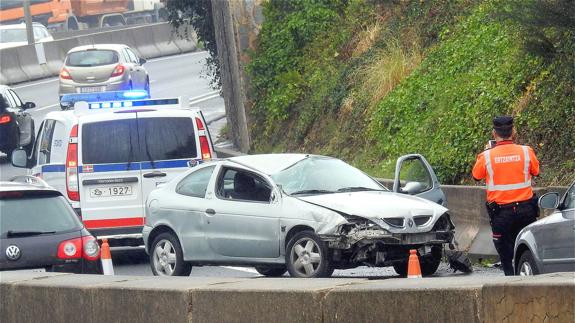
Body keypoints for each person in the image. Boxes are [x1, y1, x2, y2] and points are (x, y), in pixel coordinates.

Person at [472, 116, 540, 276]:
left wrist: (486, 151)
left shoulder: (486, 156)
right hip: (526, 211)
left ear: (494, 134)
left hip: (501, 214)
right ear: (513, 132)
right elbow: (536, 171)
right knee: (527, 250)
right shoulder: (526, 151)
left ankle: (511, 281)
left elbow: (476, 175)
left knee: (505, 255)